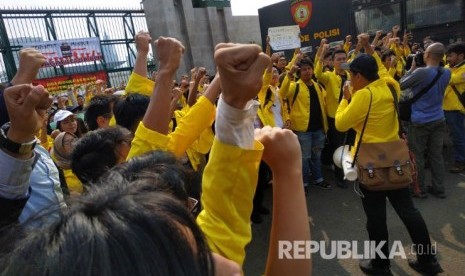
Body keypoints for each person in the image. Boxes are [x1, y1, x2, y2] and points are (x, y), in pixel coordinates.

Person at [1, 40, 311, 276]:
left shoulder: (124, 238)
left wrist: (234, 102)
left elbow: (220, 215)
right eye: (193, 261)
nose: (227, 267)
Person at [335, 34, 442, 276]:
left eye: (352, 75)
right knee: (409, 211)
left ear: (359, 76)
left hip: (369, 163)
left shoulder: (362, 95)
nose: (351, 79)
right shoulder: (388, 85)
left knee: (375, 218)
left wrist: (344, 99)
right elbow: (382, 68)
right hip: (395, 161)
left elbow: (341, 123)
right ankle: (428, 261)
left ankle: (381, 264)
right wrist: (367, 48)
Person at [400, 42, 451, 199]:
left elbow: (401, 85)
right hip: (438, 118)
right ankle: (439, 188)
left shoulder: (422, 72)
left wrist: (412, 69)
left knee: (417, 155)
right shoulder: (447, 72)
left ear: (427, 55)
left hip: (420, 121)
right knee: (436, 155)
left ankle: (419, 189)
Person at [280, 57, 329, 192]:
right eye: (303, 70)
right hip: (303, 130)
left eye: (309, 69)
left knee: (316, 156)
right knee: (304, 158)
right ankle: (304, 184)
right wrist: (289, 74)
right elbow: (282, 93)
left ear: (312, 70)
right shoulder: (294, 86)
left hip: (319, 128)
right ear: (299, 72)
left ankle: (318, 179)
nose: (307, 72)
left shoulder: (318, 85)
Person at [443, 42, 465, 173]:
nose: (448, 59)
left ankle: (461, 161)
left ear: (461, 56)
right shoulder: (448, 67)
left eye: (450, 56)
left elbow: (449, 79)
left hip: (455, 109)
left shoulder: (462, 70)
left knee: (458, 136)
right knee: (452, 135)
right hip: (443, 107)